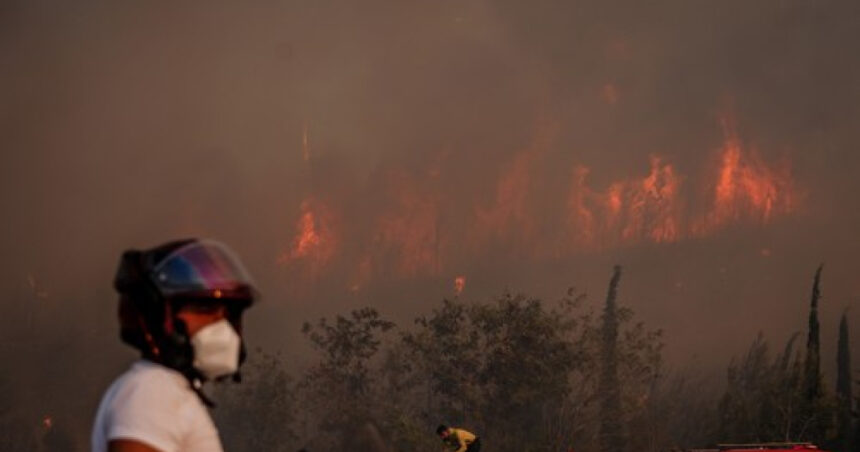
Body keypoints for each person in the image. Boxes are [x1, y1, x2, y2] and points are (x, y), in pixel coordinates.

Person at [91, 239, 258, 452]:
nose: (221, 323)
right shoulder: (152, 391)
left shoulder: (168, 391)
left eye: (229, 313)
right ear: (158, 314)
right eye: (204, 307)